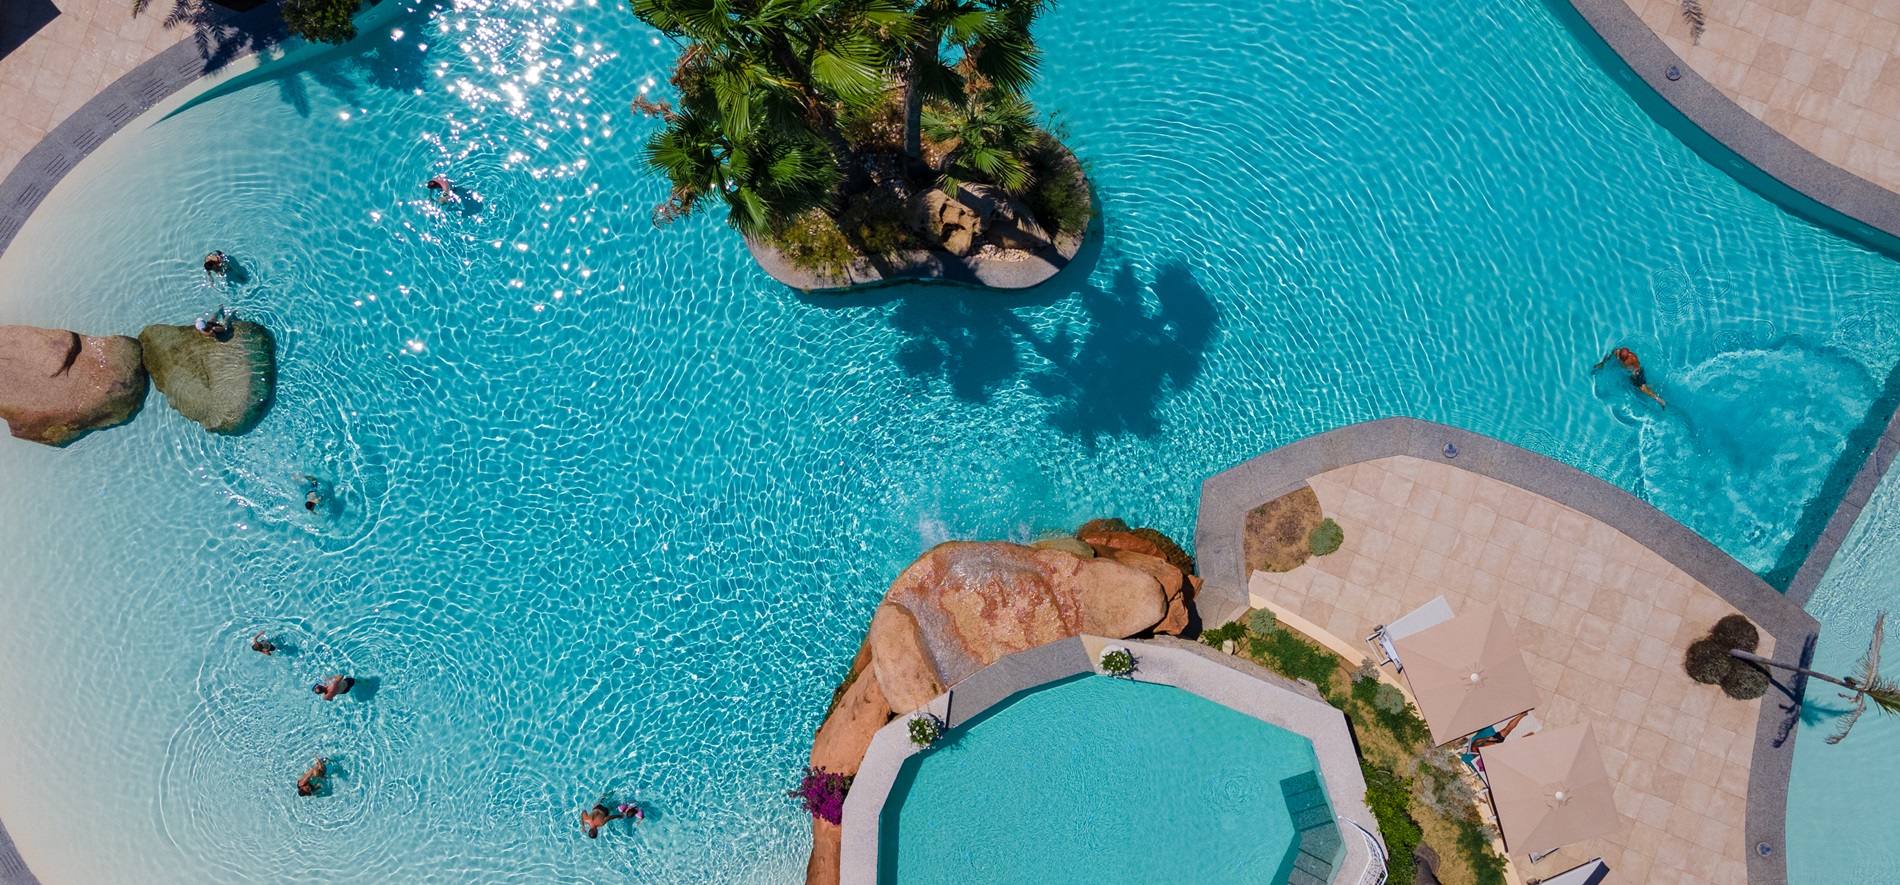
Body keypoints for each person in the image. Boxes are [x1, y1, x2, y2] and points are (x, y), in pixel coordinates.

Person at [1593, 347, 1665, 408]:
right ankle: (1651, 386)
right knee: (1636, 387)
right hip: (1629, 372)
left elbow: (1638, 368)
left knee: (1641, 388)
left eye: (1624, 358)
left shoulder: (1633, 358)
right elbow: (1609, 355)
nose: (1621, 359)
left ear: (1628, 355)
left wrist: (1634, 375)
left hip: (1637, 373)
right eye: (1621, 357)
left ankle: (1659, 399)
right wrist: (1602, 363)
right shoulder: (1616, 352)